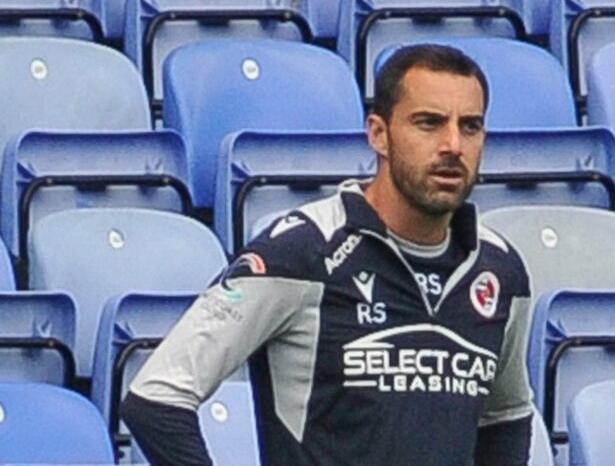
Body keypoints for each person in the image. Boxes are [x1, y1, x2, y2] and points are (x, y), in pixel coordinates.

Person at [121, 43, 534, 465]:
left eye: (470, 127)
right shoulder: (301, 253)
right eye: (428, 123)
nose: (453, 145)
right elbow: (156, 397)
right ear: (379, 134)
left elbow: (506, 415)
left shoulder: (500, 273)